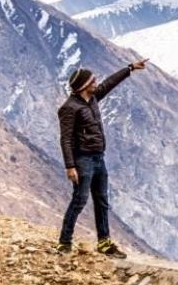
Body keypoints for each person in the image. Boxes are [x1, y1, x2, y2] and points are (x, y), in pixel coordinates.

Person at [55, 59, 148, 257]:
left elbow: (110, 83)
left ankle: (104, 243)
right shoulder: (69, 108)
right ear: (83, 86)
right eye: (92, 81)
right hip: (83, 160)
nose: (96, 82)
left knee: (102, 201)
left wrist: (130, 68)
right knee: (79, 200)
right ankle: (64, 242)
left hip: (99, 158)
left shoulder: (93, 98)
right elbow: (66, 139)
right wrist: (70, 166)